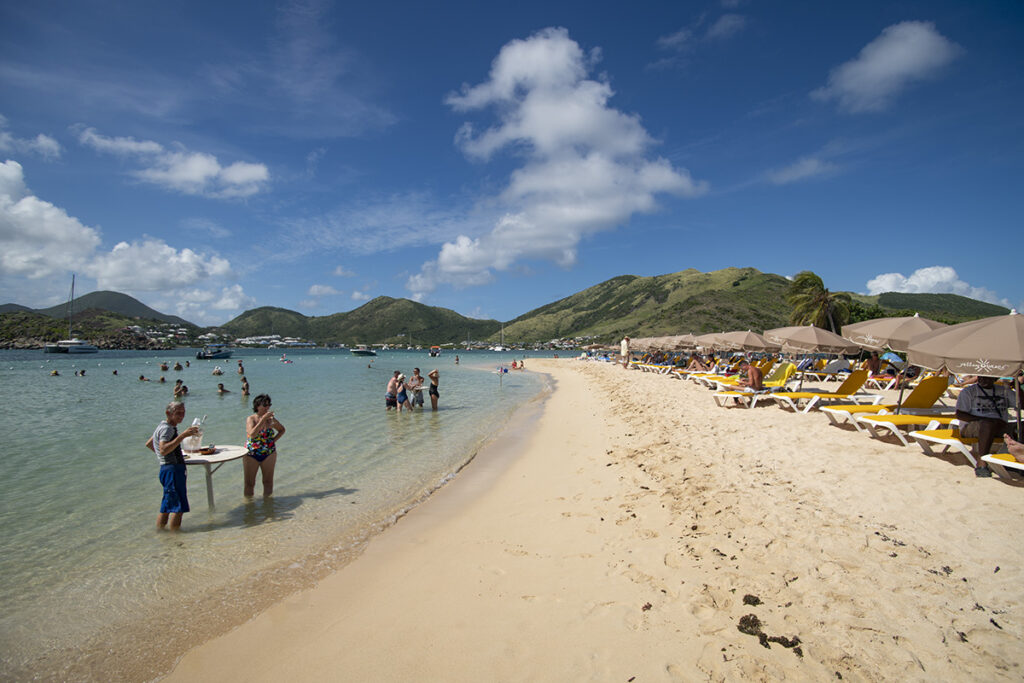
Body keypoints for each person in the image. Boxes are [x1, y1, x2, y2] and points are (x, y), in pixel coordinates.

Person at [145, 401, 201, 530]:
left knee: (167, 505)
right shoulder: (167, 428)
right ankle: (175, 537)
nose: (181, 416)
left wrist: (163, 456)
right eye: (178, 413)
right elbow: (163, 449)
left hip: (167, 468)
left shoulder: (162, 426)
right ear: (168, 413)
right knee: (178, 507)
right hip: (172, 470)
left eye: (183, 412)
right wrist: (183, 436)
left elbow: (150, 443)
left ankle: (162, 534)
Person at [955, 376, 1022, 477]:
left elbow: (1022, 404)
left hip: (999, 424)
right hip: (972, 426)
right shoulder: (969, 391)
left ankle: (1018, 459)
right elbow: (960, 414)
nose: (983, 380)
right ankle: (981, 462)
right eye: (980, 377)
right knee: (988, 424)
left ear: (995, 378)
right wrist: (983, 420)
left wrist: (1018, 387)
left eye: (987, 378)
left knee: (1022, 425)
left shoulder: (1003, 391)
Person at [244, 394, 285, 497]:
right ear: (257, 406)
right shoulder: (251, 419)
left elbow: (282, 430)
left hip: (269, 453)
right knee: (249, 483)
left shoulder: (271, 420)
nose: (268, 407)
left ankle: (268, 508)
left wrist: (272, 441)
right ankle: (249, 509)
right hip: (251, 454)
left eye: (269, 404)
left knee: (268, 482)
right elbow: (252, 435)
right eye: (265, 404)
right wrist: (262, 420)